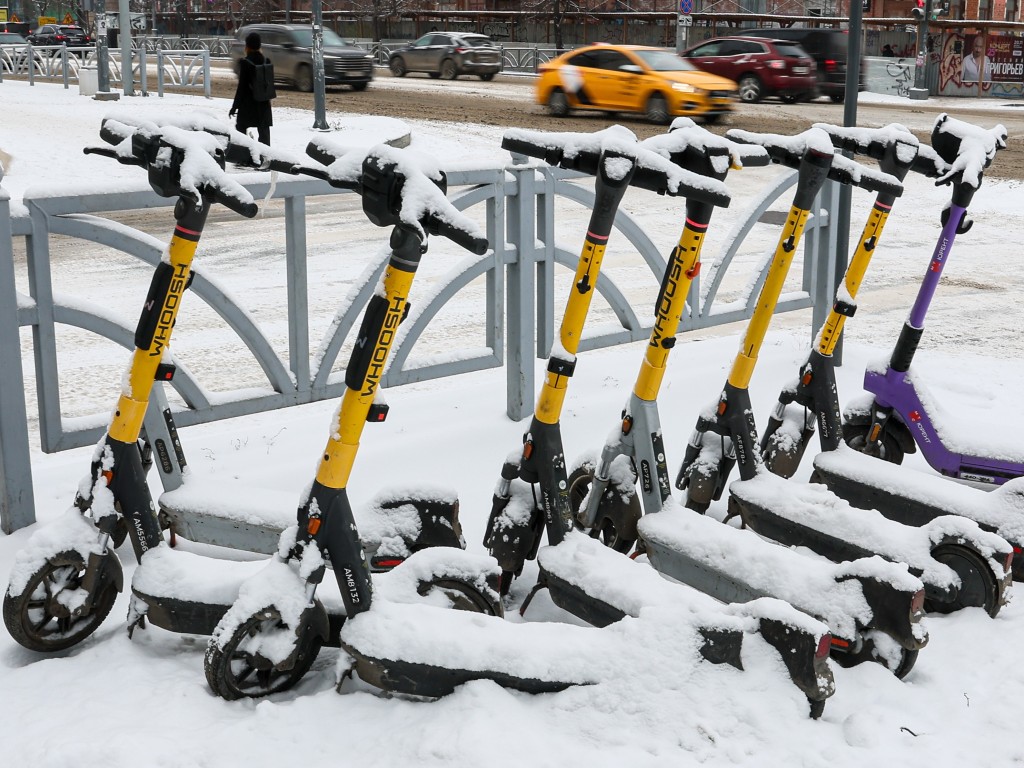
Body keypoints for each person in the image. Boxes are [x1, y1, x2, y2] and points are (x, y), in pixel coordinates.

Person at [230, 32, 273, 145]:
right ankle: (266, 153)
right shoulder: (266, 61)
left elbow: (242, 88)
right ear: (259, 46)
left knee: (241, 126)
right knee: (264, 130)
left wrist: (234, 107)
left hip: (249, 104)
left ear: (247, 46)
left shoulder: (245, 63)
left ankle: (245, 153)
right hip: (264, 104)